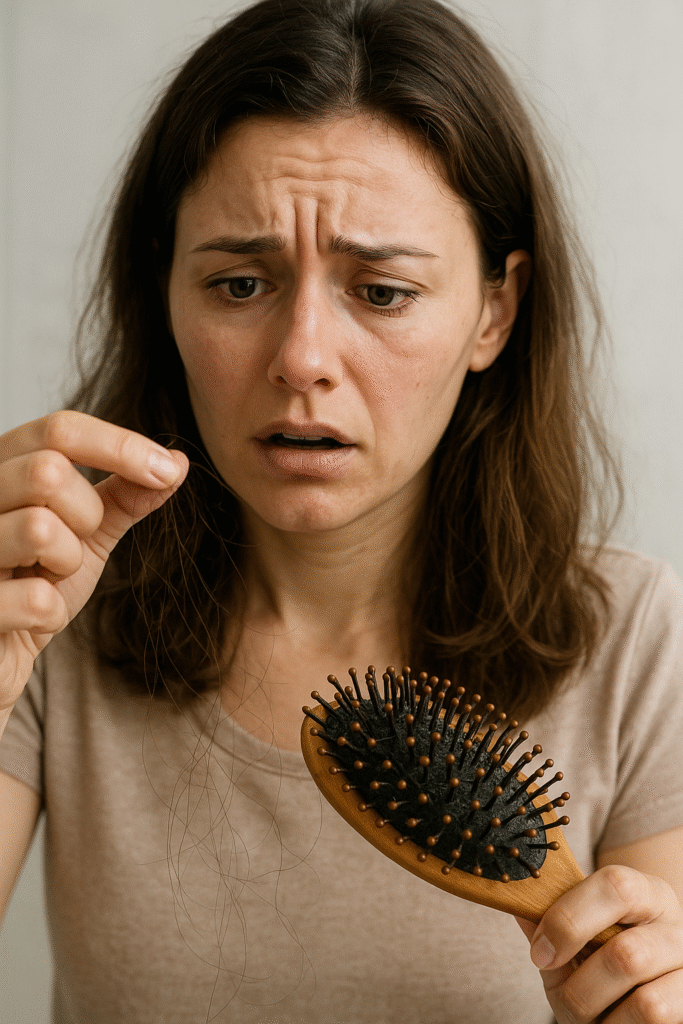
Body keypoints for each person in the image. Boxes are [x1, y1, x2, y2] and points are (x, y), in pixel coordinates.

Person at [1, 0, 682, 1021]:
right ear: (165, 293)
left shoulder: (632, 642)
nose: (301, 357)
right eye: (238, 283)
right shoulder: (53, 620)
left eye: (381, 291)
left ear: (494, 309)